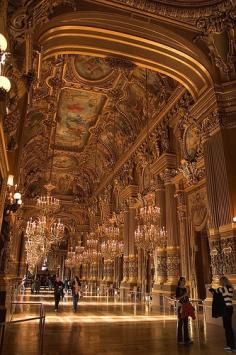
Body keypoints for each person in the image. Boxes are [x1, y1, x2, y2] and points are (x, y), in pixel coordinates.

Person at [209, 276, 235, 352]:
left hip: (226, 310)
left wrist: (209, 288)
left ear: (223, 282)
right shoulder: (230, 288)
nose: (219, 283)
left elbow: (215, 292)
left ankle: (232, 346)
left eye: (220, 282)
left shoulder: (223, 288)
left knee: (227, 328)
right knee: (228, 327)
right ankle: (230, 345)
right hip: (230, 309)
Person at [175, 276, 192, 345]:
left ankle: (186, 339)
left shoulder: (185, 288)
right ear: (180, 281)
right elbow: (177, 298)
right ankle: (180, 339)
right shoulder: (178, 289)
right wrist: (185, 294)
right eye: (184, 280)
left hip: (185, 306)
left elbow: (186, 297)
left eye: (185, 280)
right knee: (180, 322)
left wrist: (188, 294)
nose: (185, 281)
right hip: (180, 307)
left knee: (186, 323)